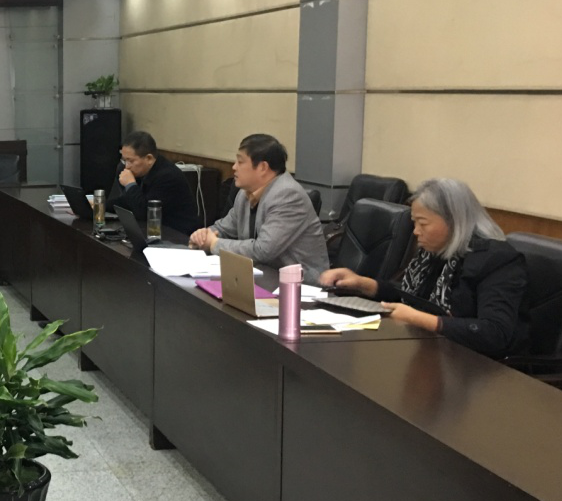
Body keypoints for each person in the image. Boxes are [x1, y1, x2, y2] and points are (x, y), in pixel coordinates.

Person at [321, 178, 528, 358]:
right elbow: (412, 297)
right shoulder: (436, 252)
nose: (416, 232)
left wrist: (418, 318)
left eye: (423, 223)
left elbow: (494, 333)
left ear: (454, 221)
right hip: (433, 352)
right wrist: (362, 283)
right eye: (414, 223)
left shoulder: (497, 260)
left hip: (476, 368)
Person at [188, 133, 329, 282]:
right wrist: (202, 236)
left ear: (262, 167)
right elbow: (223, 229)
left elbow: (263, 250)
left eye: (240, 162)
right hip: (261, 276)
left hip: (300, 286)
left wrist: (214, 244)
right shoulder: (245, 193)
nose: (234, 167)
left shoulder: (288, 195)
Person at [104, 130, 199, 236]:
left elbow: (145, 213)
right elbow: (128, 202)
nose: (127, 166)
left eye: (131, 161)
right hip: (155, 231)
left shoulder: (167, 176)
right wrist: (101, 205)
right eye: (124, 160)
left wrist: (130, 185)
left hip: (178, 235)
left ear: (149, 158)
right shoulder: (142, 172)